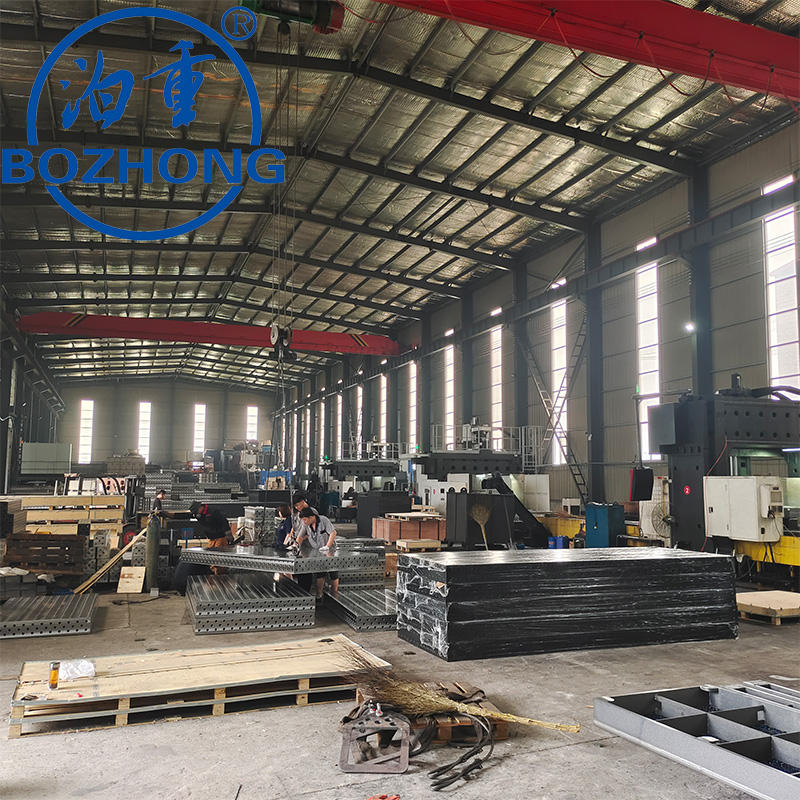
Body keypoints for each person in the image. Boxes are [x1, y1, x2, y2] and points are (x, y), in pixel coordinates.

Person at [297, 506, 339, 599]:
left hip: (329, 550)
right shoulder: (306, 524)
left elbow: (333, 533)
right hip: (317, 551)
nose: (304, 521)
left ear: (311, 517)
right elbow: (300, 536)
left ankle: (334, 594)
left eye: (305, 519)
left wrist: (327, 546)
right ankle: (319, 594)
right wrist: (295, 546)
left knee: (333, 572)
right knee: (320, 573)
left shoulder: (324, 520)